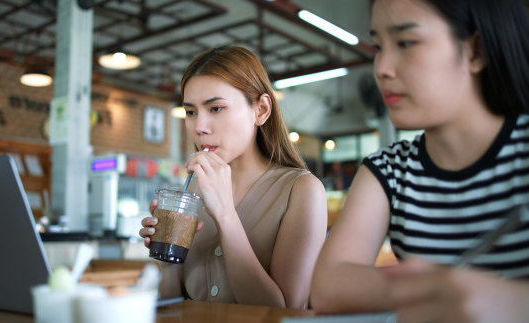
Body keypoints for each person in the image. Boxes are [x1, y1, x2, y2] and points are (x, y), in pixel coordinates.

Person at [310, 0, 529, 321]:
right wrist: (441, 289)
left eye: (406, 43)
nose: (382, 67)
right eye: (379, 46)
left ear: (476, 51)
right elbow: (327, 286)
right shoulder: (388, 170)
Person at [139, 46, 328, 309]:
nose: (200, 128)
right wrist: (168, 260)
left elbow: (286, 312)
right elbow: (175, 305)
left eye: (215, 108)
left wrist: (226, 214)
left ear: (261, 110)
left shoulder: (302, 190)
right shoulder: (193, 190)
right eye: (190, 112)